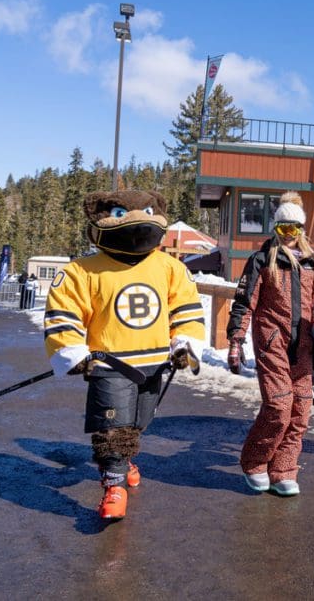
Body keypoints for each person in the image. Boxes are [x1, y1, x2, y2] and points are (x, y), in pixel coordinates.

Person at [44, 189, 206, 521]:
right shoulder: (83, 270)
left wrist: (185, 343)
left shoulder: (169, 267)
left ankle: (126, 459)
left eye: (147, 211)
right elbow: (64, 311)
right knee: (113, 427)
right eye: (121, 213)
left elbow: (186, 307)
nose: (136, 220)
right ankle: (113, 484)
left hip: (153, 362)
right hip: (110, 363)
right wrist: (71, 350)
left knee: (138, 421)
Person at [225, 192, 314, 496]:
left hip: (303, 345)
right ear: (276, 229)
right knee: (280, 405)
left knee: (301, 409)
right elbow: (244, 302)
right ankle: (255, 461)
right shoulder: (261, 260)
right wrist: (236, 341)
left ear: (301, 230)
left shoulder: (311, 262)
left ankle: (283, 469)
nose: (289, 236)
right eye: (283, 229)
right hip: (271, 341)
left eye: (294, 229)